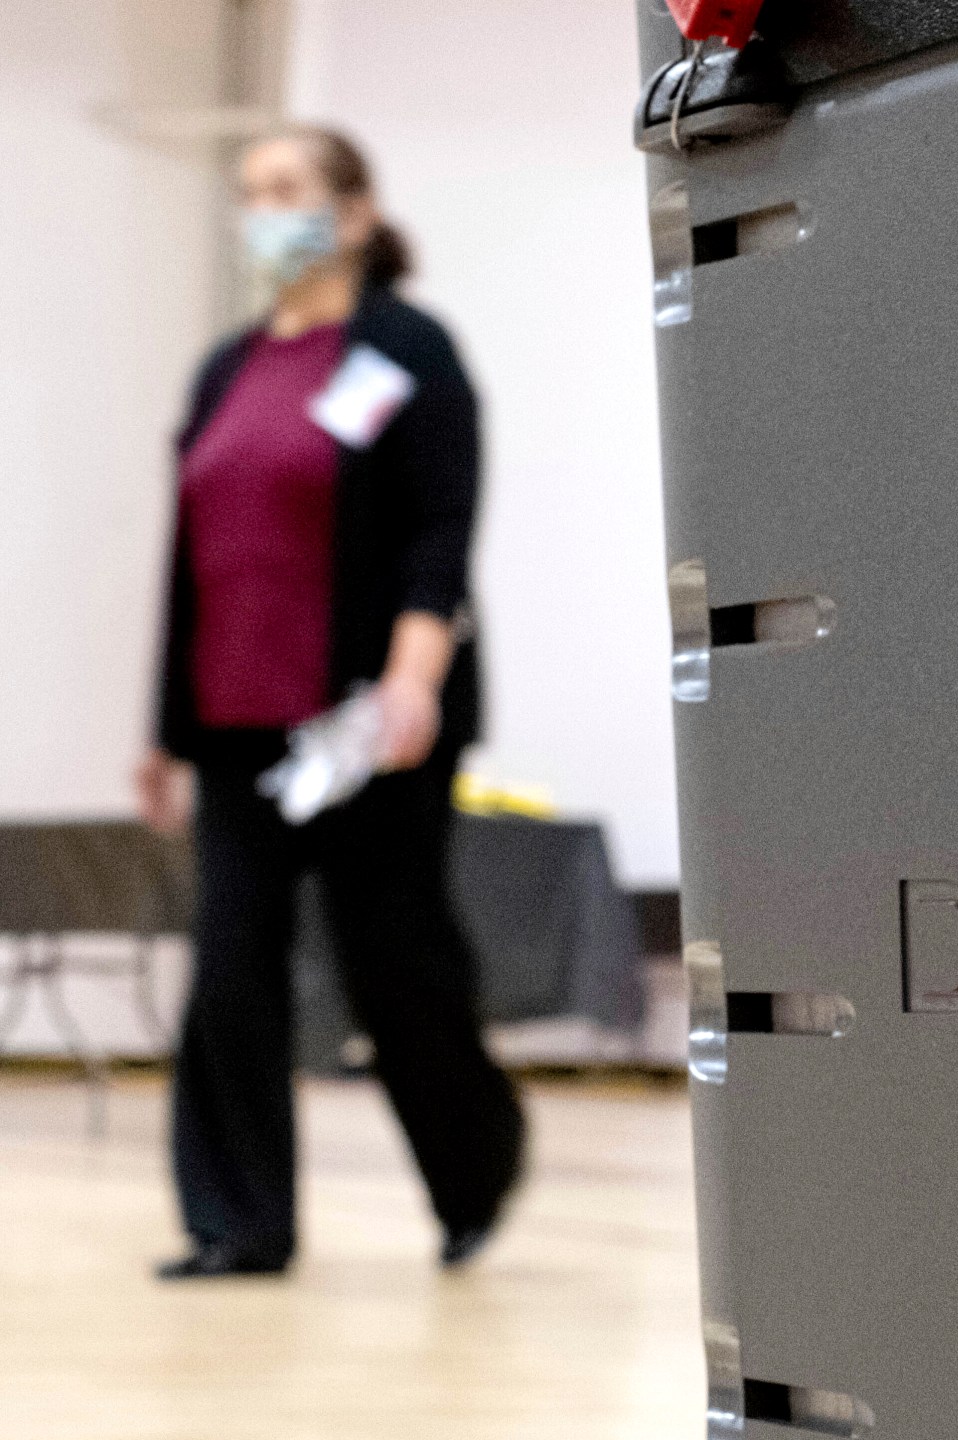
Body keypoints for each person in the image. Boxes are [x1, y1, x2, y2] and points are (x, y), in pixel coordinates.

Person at [134, 126, 524, 1279]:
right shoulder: (227, 367)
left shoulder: (407, 348)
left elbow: (438, 533)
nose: (266, 212)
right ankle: (240, 1221)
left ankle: (474, 1167)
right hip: (234, 725)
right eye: (251, 194)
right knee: (228, 965)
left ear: (353, 213)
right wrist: (164, 734)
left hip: (367, 728)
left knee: (395, 966)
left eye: (289, 191)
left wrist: (411, 680)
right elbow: (193, 557)